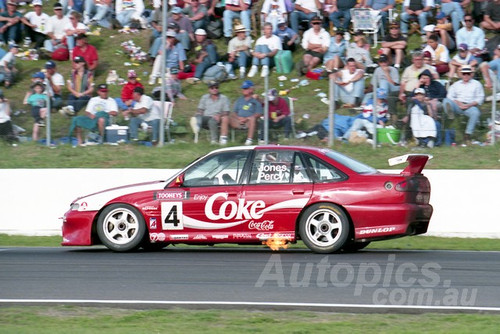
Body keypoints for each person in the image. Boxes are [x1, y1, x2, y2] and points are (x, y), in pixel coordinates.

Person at [442, 65, 485, 146]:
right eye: (464, 73)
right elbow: (450, 96)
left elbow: (480, 98)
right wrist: (458, 102)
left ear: (471, 74)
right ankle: (450, 113)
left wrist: (469, 104)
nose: (466, 75)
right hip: (457, 105)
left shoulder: (476, 84)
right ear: (461, 74)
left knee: (475, 112)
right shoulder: (456, 84)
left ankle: (467, 134)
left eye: (468, 74)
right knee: (446, 101)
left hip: (470, 106)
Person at [230, 80, 263, 145]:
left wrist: (247, 118)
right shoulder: (239, 100)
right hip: (238, 120)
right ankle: (223, 138)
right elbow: (234, 112)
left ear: (251, 89)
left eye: (245, 88)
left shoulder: (256, 100)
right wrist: (239, 118)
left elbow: (259, 113)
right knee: (227, 117)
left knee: (253, 119)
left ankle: (249, 140)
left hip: (249, 121)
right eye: (243, 88)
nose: (243, 90)